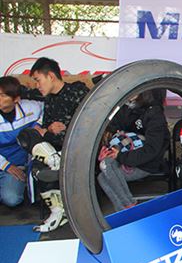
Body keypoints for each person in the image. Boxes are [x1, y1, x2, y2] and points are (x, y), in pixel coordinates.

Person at [16, 57, 90, 232]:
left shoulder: (77, 91)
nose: (37, 85)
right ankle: (58, 211)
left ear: (50, 76)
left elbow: (86, 124)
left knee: (44, 160)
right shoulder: (48, 98)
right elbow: (46, 129)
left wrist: (59, 129)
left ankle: (53, 160)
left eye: (38, 80)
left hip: (76, 145)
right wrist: (48, 129)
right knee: (27, 137)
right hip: (53, 147)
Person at [97, 88, 170, 212]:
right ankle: (124, 211)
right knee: (102, 177)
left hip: (146, 163)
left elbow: (151, 150)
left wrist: (120, 156)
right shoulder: (127, 107)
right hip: (126, 156)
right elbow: (115, 125)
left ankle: (130, 206)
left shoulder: (154, 114)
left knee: (106, 166)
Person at [0, 76, 43, 208]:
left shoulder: (30, 107)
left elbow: (46, 109)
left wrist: (38, 125)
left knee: (12, 199)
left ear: (16, 99)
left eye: (2, 95)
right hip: (4, 164)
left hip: (18, 166)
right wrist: (5, 165)